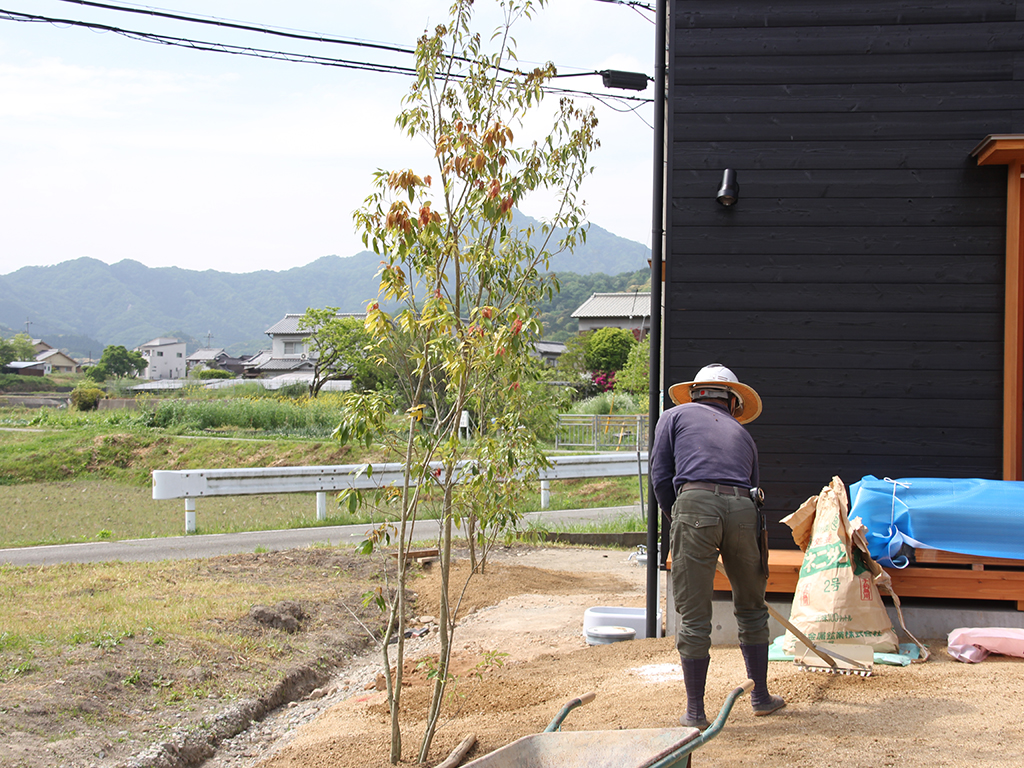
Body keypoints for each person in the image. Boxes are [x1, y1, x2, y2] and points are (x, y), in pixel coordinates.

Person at [650, 363, 785, 728]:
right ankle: (760, 697)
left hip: (694, 505)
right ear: (732, 400)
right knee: (752, 608)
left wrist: (678, 519)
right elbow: (754, 486)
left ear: (696, 392)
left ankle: (695, 712)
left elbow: (661, 475)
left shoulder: (674, 416)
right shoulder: (743, 435)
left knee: (694, 614)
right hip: (745, 509)